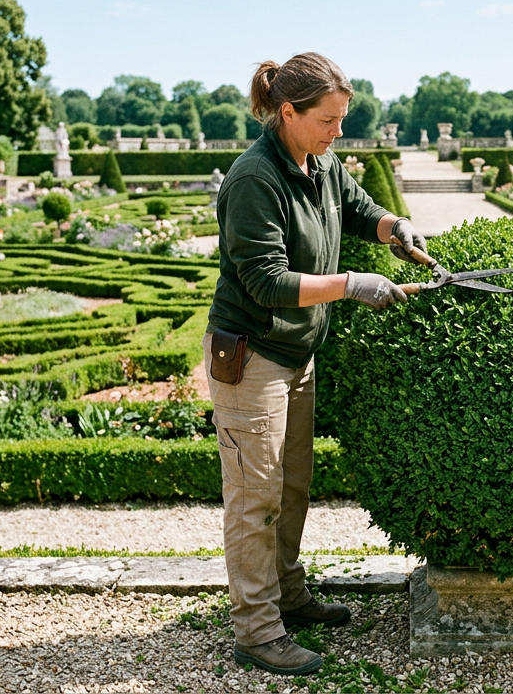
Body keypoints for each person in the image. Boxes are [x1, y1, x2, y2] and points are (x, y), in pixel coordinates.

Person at [204, 52, 426, 676]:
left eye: (341, 120)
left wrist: (393, 226)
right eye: (327, 120)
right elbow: (265, 282)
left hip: (296, 353)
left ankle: (289, 594)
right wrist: (352, 283)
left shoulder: (319, 162)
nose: (337, 133)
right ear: (287, 112)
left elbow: (358, 210)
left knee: (292, 485)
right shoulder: (255, 179)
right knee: (256, 497)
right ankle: (257, 630)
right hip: (252, 357)